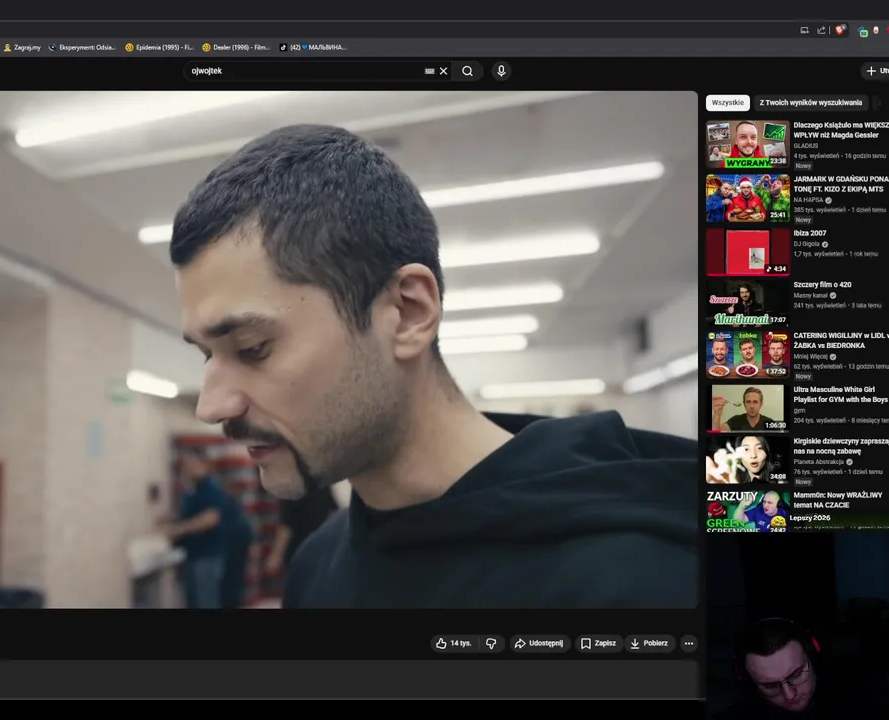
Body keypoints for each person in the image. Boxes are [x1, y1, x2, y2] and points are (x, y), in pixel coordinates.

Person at [168, 124, 697, 609]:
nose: (212, 407)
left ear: (407, 313)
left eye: (253, 348)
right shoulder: (315, 566)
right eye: (207, 355)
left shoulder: (644, 582)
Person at [713, 618, 889, 718]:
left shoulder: (865, 699)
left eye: (797, 674)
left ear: (812, 656)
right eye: (770, 685)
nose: (789, 695)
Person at [160, 450, 228, 609]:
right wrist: (170, 520)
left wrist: (179, 529)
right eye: (186, 465)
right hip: (192, 555)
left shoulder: (211, 489)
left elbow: (210, 519)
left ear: (204, 465)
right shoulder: (193, 491)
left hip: (206, 557)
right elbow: (190, 515)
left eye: (193, 464)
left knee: (205, 601)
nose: (189, 468)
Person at [265, 487, 340, 583]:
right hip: (322, 553)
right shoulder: (322, 487)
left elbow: (287, 527)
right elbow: (334, 513)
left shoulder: (293, 490)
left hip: (300, 553)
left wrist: (276, 556)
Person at [219, 478, 256, 609]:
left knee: (228, 589)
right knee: (234, 588)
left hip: (229, 554)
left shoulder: (227, 509)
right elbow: (249, 534)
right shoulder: (239, 512)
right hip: (235, 554)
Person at [713, 387, 778, 432]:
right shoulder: (736, 420)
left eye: (755, 402)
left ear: (761, 404)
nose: (751, 406)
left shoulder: (769, 422)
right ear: (744, 404)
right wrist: (717, 415)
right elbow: (716, 433)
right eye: (748, 402)